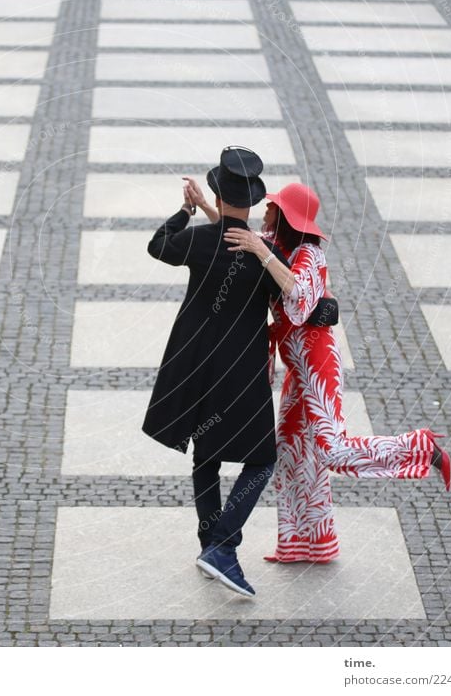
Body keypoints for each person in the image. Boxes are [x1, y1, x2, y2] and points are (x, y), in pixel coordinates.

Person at [219, 182, 451, 563]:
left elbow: (300, 295)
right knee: (292, 454)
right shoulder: (273, 243)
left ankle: (420, 448)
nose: (265, 210)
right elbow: (238, 237)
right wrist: (211, 212)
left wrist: (262, 251)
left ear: (286, 216)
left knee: (332, 451)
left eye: (272, 206)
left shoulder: (309, 254)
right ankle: (306, 544)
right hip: (297, 370)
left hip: (319, 365)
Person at [142, 147, 286, 597]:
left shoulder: (202, 241)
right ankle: (222, 546)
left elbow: (159, 245)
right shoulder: (267, 252)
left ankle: (212, 545)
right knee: (261, 459)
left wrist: (187, 211)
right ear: (256, 203)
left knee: (206, 458)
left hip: (199, 368)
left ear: (218, 196)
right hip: (242, 371)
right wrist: (260, 248)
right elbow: (296, 295)